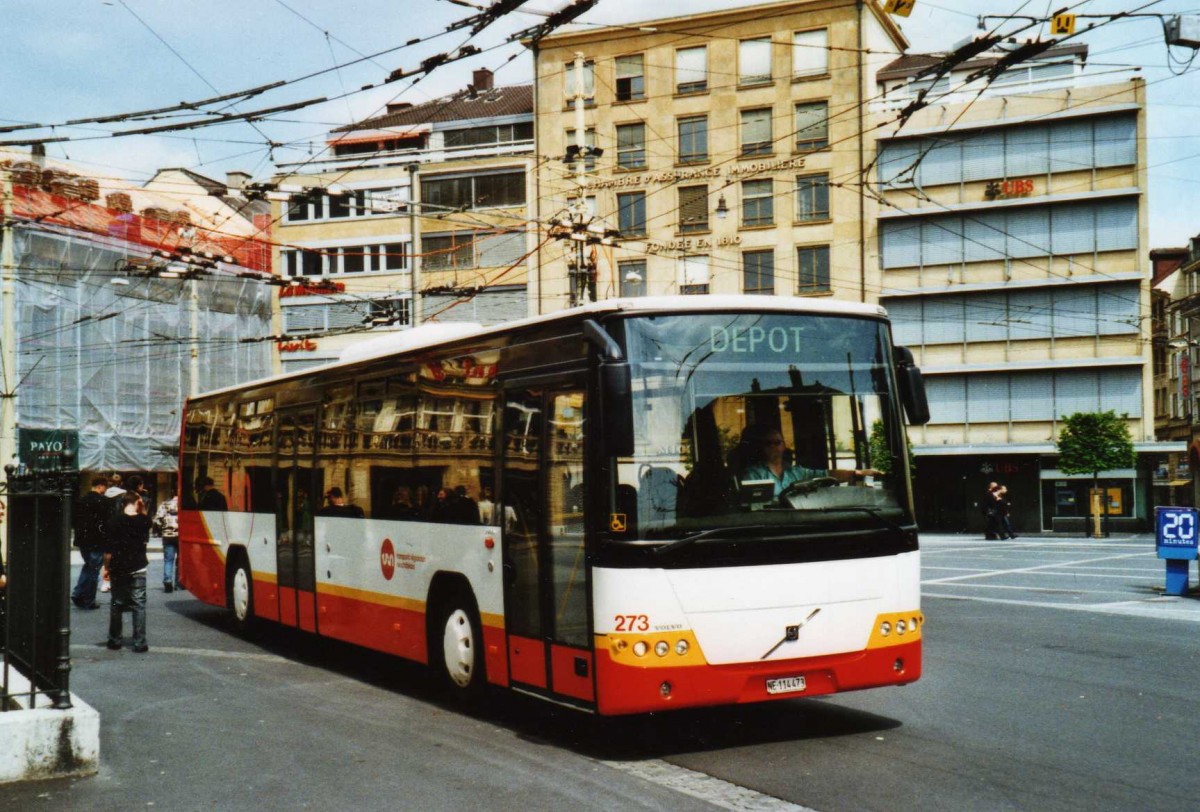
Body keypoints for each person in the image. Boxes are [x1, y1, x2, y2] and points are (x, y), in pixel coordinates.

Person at [738, 425, 879, 497]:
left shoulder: (796, 472)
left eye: (777, 442)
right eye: (769, 443)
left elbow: (826, 474)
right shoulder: (753, 474)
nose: (774, 446)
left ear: (784, 445)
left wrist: (857, 473)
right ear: (760, 447)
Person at [105, 491, 151, 652]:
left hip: (118, 567)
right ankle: (140, 642)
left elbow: (108, 552)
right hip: (138, 566)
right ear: (138, 503)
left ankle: (114, 640)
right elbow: (146, 519)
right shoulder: (144, 520)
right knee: (139, 604)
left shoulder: (113, 521)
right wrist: (142, 508)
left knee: (117, 603)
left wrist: (106, 568)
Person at [71, 475, 111, 609]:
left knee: (89, 566)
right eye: (105, 487)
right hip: (97, 540)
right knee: (93, 569)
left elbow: (74, 521)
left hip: (83, 540)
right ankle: (88, 599)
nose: (105, 490)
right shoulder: (104, 501)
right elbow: (107, 523)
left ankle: (78, 593)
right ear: (100, 486)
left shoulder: (81, 500)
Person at [153, 495, 180, 592]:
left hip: (167, 535)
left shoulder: (164, 504)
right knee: (180, 560)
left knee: (168, 560)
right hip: (181, 535)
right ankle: (179, 582)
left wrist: (162, 529)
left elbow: (157, 519)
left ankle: (168, 580)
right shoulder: (183, 505)